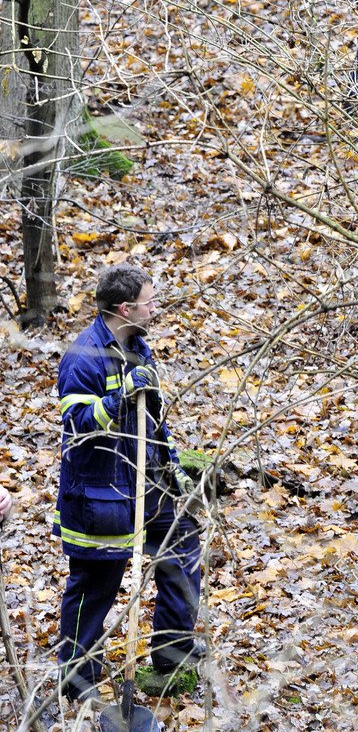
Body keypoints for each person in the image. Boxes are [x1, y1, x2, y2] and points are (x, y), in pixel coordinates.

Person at [55, 263, 203, 701]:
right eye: (149, 301)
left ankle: (173, 656)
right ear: (125, 308)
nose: (155, 308)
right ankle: (78, 678)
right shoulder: (83, 357)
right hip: (101, 495)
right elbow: (78, 423)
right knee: (95, 585)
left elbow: (155, 420)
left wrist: (171, 467)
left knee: (182, 548)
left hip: (150, 485)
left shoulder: (139, 347)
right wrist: (119, 398)